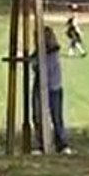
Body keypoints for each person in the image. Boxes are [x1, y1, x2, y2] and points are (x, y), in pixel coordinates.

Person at [30, 26, 72, 155]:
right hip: (40, 87)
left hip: (53, 88)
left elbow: (43, 68)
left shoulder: (53, 53)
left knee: (56, 117)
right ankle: (42, 143)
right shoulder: (38, 53)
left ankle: (62, 144)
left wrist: (35, 63)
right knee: (37, 116)